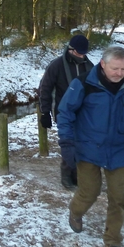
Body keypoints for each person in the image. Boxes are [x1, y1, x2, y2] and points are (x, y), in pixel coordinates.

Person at [58, 46, 124, 247]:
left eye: (123, 69)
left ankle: (113, 241)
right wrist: (67, 144)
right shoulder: (84, 84)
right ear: (103, 64)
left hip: (117, 151)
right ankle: (75, 211)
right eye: (115, 68)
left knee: (119, 198)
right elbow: (65, 113)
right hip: (87, 149)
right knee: (90, 192)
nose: (119, 73)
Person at [39, 34, 94, 188]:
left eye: (84, 53)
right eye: (78, 53)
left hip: (83, 114)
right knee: (69, 144)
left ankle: (78, 176)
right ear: (71, 49)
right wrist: (45, 112)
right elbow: (45, 89)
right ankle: (66, 178)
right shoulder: (56, 66)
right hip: (63, 113)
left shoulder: (89, 66)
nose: (81, 56)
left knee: (82, 144)